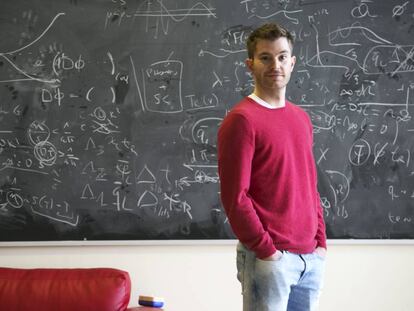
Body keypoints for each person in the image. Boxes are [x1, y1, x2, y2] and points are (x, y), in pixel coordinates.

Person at [217, 23, 327, 311]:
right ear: (250, 64)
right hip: (270, 259)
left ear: (292, 63)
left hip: (310, 259)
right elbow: (235, 198)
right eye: (265, 57)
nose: (274, 65)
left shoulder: (301, 118)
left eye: (281, 57)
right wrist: (267, 251)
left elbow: (309, 185)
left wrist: (320, 242)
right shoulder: (242, 120)